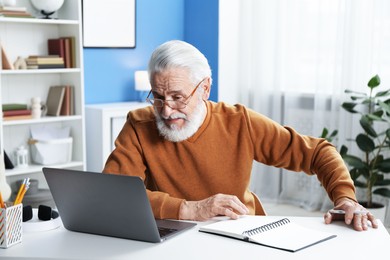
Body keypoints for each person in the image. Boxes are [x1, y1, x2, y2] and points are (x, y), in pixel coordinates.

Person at [103, 40, 378, 231]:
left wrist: (346, 199)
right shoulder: (139, 125)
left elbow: (318, 153)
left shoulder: (238, 121)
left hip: (238, 232)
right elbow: (114, 195)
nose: (166, 110)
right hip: (172, 234)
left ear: (205, 88)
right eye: (158, 97)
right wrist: (189, 209)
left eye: (178, 97)